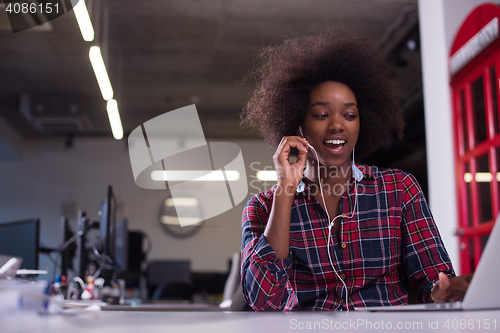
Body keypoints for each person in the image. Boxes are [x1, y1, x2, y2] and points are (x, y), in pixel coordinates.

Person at [239, 28, 472, 311]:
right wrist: (286, 190)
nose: (338, 125)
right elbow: (264, 300)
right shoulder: (262, 208)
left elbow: (432, 281)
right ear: (298, 125)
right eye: (322, 115)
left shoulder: (399, 189)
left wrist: (442, 292)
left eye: (349, 115)